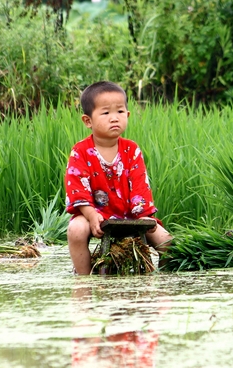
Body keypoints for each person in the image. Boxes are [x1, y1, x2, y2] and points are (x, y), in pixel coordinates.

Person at [65, 81, 172, 274]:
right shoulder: (80, 152)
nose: (114, 118)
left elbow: (140, 187)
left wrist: (144, 217)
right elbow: (78, 190)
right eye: (106, 113)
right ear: (88, 121)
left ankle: (164, 278)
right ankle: (83, 278)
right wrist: (91, 215)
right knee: (76, 230)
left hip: (132, 215)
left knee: (167, 241)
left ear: (128, 115)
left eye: (120, 112)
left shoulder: (131, 150)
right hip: (93, 215)